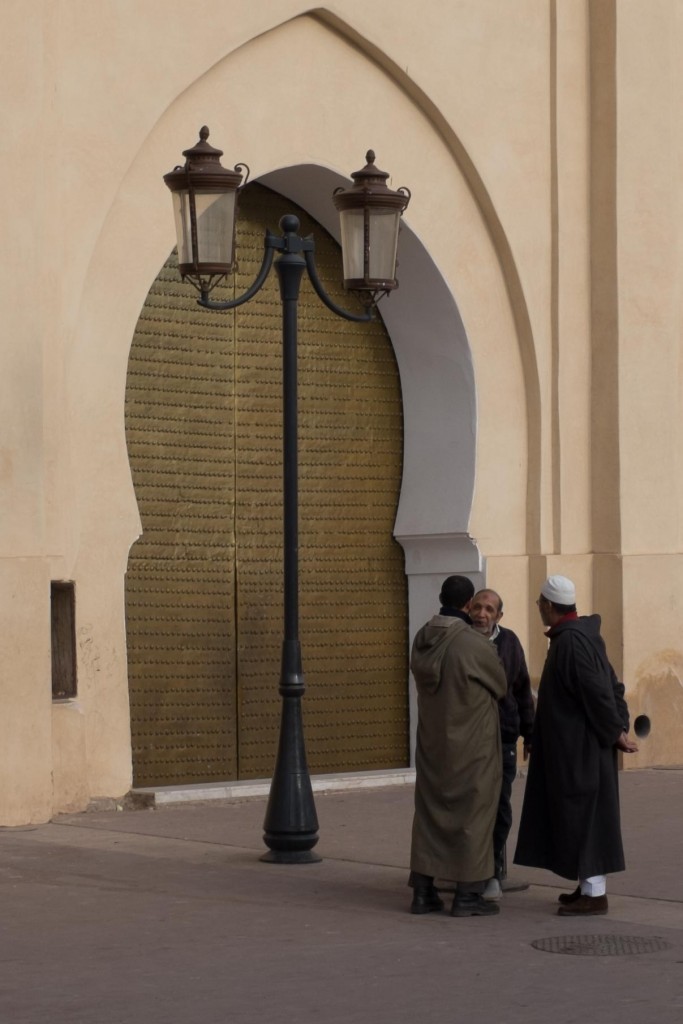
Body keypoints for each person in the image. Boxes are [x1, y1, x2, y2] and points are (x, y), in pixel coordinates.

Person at [513, 575, 638, 915]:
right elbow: (611, 684)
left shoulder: (570, 643)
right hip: (577, 747)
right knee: (578, 815)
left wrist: (615, 730)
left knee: (585, 817)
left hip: (579, 751)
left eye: (540, 603)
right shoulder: (581, 637)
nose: (538, 607)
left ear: (549, 606)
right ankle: (586, 885)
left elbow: (598, 692)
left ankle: (594, 895)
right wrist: (618, 725)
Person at [409, 574, 508, 917]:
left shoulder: (422, 637)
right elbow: (500, 683)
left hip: (433, 744)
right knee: (475, 817)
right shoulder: (473, 644)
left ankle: (422, 892)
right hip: (472, 747)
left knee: (429, 816)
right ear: (468, 605)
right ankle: (468, 895)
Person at [470, 588, 534, 900]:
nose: (482, 614)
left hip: (503, 737)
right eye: (478, 607)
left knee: (499, 807)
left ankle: (493, 872)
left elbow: (522, 689)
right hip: (468, 740)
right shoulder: (461, 640)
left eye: (489, 609)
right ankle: (466, 872)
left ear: (499, 616)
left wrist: (529, 733)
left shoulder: (509, 642)